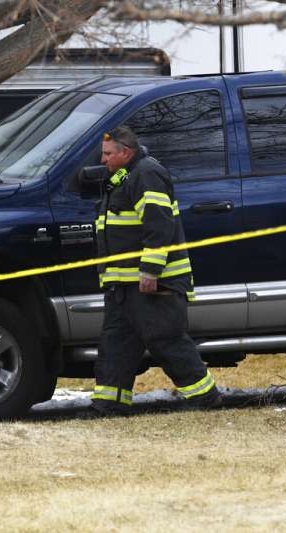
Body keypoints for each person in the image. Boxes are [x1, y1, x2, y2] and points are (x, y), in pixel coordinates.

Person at [89, 126, 221, 415]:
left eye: (108, 154)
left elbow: (158, 225)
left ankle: (205, 397)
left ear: (126, 152)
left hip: (152, 282)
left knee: (166, 340)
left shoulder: (147, 174)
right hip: (122, 283)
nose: (103, 160)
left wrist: (150, 270)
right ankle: (109, 404)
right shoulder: (123, 176)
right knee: (116, 345)